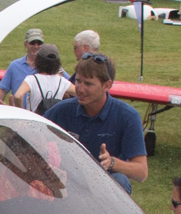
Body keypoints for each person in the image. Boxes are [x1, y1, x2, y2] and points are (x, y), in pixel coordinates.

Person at [39, 53, 149, 190]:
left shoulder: (127, 116)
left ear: (106, 85)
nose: (80, 89)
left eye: (88, 84)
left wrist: (112, 162)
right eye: (78, 81)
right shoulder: (62, 110)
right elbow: (32, 133)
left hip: (103, 188)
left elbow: (141, 172)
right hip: (67, 182)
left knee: (120, 180)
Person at [10, 45, 74, 114]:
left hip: (34, 121)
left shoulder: (31, 80)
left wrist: (22, 113)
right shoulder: (62, 81)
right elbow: (79, 93)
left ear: (38, 60)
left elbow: (18, 96)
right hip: (53, 122)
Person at [0, 27, 48, 102]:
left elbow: (66, 83)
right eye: (32, 43)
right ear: (25, 44)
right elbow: (2, 92)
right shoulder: (14, 66)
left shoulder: (49, 65)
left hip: (40, 113)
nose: (36, 46)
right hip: (18, 112)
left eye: (39, 43)